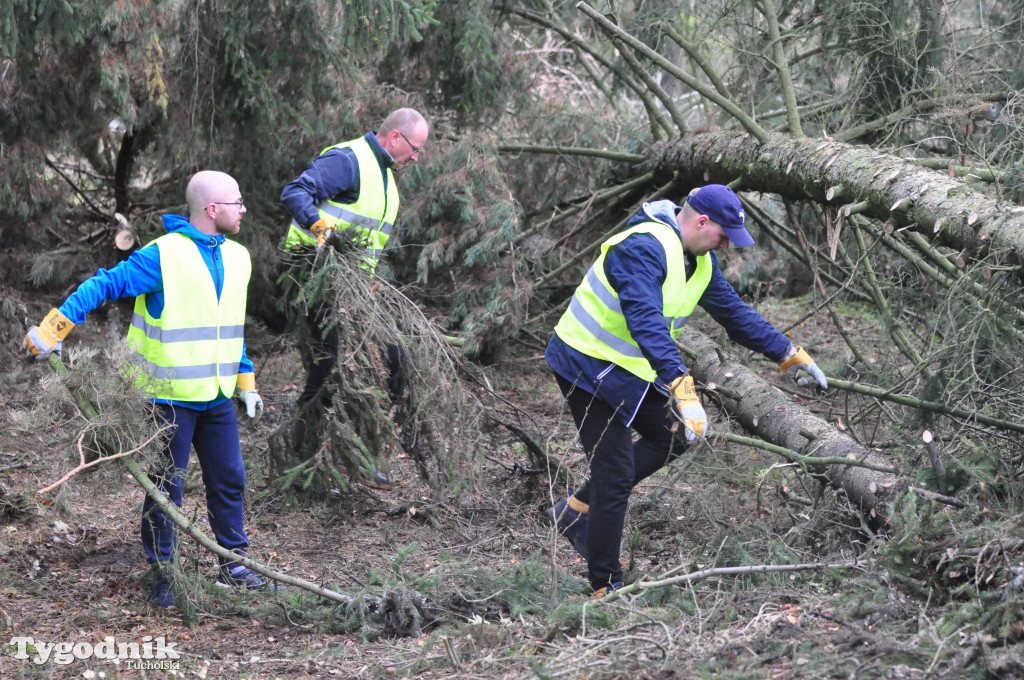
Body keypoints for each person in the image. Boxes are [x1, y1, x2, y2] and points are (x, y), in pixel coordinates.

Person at [544, 185, 829, 598]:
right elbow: (644, 320)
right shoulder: (642, 247)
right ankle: (605, 585)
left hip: (626, 369)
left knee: (672, 435)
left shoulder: (699, 262)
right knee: (616, 473)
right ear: (701, 221)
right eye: (723, 235)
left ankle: (574, 512)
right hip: (584, 364)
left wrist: (787, 353)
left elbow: (735, 314)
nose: (727, 245)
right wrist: (682, 386)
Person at [23, 170, 282, 609]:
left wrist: (245, 379)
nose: (243, 210)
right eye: (237, 202)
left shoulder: (239, 257)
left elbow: (230, 326)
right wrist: (56, 326)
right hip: (168, 399)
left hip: (216, 395)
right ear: (212, 209)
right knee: (166, 489)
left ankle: (234, 566)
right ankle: (164, 574)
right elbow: (105, 283)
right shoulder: (163, 256)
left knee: (230, 480)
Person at [279, 108, 429, 488]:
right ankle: (305, 463)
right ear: (395, 137)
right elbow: (295, 192)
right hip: (313, 278)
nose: (415, 157)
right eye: (414, 148)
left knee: (389, 361)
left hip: (355, 291)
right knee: (328, 372)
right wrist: (319, 228)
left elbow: (368, 245)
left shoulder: (387, 182)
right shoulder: (349, 160)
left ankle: (350, 456)